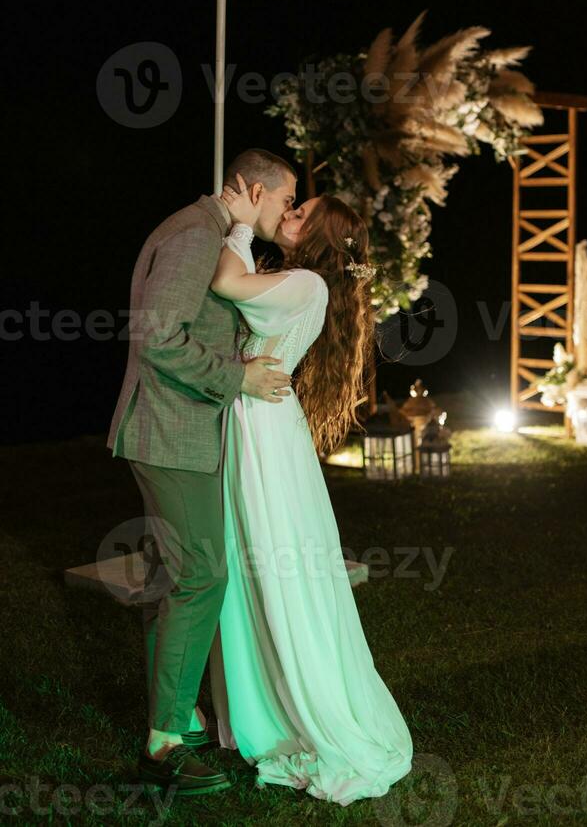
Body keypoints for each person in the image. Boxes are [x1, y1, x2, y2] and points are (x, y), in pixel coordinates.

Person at [206, 173, 413, 806]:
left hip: (260, 430)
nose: (290, 214)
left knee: (267, 562)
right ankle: (257, 700)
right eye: (293, 206)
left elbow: (225, 284)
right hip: (261, 421)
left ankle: (289, 707)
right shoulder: (303, 282)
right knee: (256, 564)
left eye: (303, 213)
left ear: (321, 235)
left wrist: (240, 222)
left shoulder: (307, 282)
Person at [106, 148, 298, 796]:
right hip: (172, 433)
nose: (288, 211)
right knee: (202, 577)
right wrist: (237, 377)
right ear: (250, 187)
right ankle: (162, 749)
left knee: (174, 578)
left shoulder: (205, 230)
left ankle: (180, 715)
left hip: (171, 430)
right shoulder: (193, 235)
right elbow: (159, 336)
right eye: (284, 199)